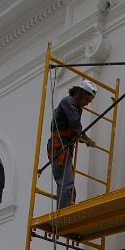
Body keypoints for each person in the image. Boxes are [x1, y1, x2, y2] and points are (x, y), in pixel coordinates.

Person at [47, 79, 97, 208]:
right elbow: (75, 124)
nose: (86, 104)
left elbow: (75, 130)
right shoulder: (68, 101)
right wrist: (85, 139)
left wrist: (84, 139)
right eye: (86, 100)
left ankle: (66, 208)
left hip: (63, 146)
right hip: (59, 145)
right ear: (79, 93)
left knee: (69, 184)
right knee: (66, 182)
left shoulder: (75, 106)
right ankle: (62, 214)